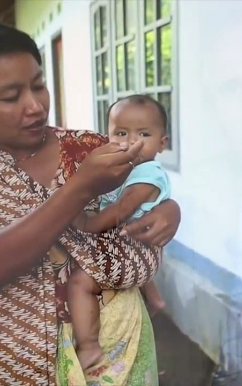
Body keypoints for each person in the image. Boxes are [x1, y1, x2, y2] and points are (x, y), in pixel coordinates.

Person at [0, 21, 180, 385]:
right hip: (29, 356)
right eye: (11, 96)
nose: (36, 106)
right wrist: (79, 188)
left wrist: (169, 209)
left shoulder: (89, 146)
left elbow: (146, 185)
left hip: (125, 337)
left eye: (39, 85)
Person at [69, 94, 170, 369]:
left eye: (144, 134)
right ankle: (156, 299)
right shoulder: (121, 168)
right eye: (121, 133)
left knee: (80, 282)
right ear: (108, 135)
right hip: (129, 244)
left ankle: (89, 345)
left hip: (133, 247)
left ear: (163, 143)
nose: (131, 142)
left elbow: (122, 210)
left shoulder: (149, 174)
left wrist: (88, 224)